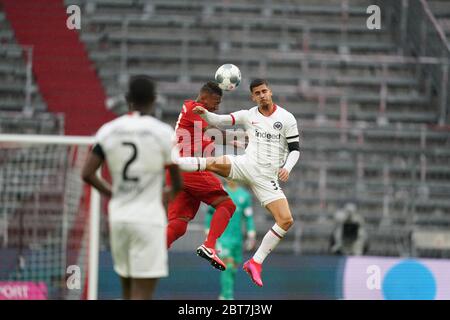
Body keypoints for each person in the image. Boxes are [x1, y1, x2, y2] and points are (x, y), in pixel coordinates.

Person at [177, 78, 301, 287]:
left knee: (286, 220)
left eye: (264, 91)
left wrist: (287, 168)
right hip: (247, 164)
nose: (262, 95)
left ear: (270, 92)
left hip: (266, 178)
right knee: (211, 164)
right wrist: (205, 114)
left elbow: (295, 149)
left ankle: (255, 262)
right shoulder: (247, 115)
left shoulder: (287, 118)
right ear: (253, 97)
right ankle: (173, 163)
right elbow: (218, 121)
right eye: (257, 93)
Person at [81, 75, 182, 300]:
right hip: (148, 219)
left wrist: (113, 193)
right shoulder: (163, 133)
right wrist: (165, 196)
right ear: (154, 99)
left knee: (126, 291)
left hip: (119, 217)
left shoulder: (108, 130)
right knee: (142, 294)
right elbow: (177, 183)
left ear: (127, 99)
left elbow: (87, 173)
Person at [166, 81, 237, 271]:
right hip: (188, 168)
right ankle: (210, 245)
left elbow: (205, 139)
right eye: (215, 102)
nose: (216, 107)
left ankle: (152, 253)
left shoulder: (191, 114)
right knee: (226, 204)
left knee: (178, 225)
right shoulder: (196, 109)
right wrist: (240, 139)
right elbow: (213, 133)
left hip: (175, 171)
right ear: (204, 98)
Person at [204, 179, 256, 300]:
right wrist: (208, 231)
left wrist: (251, 233)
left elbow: (248, 216)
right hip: (222, 236)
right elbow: (210, 212)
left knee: (233, 266)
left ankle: (224, 294)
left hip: (237, 238)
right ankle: (227, 297)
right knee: (227, 264)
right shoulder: (221, 193)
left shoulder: (244, 195)